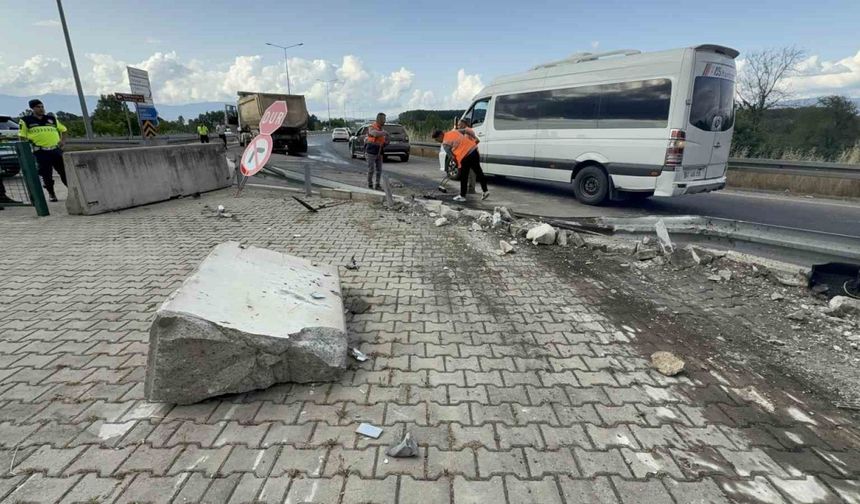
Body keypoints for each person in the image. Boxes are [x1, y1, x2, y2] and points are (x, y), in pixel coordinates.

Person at [18, 99, 68, 202]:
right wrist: (26, 150)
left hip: (55, 150)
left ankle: (72, 191)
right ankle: (51, 193)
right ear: (32, 108)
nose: (41, 109)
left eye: (42, 107)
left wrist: (63, 141)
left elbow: (63, 130)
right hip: (41, 151)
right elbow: (22, 136)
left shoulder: (51, 119)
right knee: (47, 174)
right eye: (38, 107)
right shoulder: (26, 120)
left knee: (65, 172)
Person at [432, 128, 489, 202]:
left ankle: (462, 196)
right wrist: (475, 138)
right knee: (478, 171)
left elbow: (452, 157)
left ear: (440, 136)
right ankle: (485, 191)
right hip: (473, 150)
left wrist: (456, 166)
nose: (438, 141)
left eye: (437, 139)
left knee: (464, 177)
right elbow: (468, 130)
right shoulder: (454, 132)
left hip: (464, 157)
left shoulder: (445, 144)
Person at [365, 112, 389, 190]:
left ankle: (377, 185)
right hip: (371, 151)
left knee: (379, 170)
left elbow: (384, 141)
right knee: (371, 169)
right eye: (383, 119)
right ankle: (370, 185)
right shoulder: (371, 127)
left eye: (385, 119)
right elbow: (374, 134)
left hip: (380, 151)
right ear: (379, 119)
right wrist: (385, 133)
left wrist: (387, 141)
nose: (384, 121)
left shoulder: (382, 129)